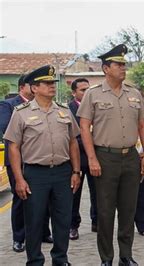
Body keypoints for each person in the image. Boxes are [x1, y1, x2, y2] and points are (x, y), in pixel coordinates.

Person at [77, 44, 144, 266]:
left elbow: (142, 126)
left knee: (129, 210)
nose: (123, 68)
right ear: (105, 68)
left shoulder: (134, 93)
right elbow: (84, 127)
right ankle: (106, 258)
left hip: (130, 157)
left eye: (124, 64)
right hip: (105, 157)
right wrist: (91, 158)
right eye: (118, 64)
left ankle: (126, 255)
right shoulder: (93, 94)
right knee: (106, 211)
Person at [3, 65, 81, 265]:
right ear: (34, 88)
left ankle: (60, 259)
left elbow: (73, 142)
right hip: (35, 174)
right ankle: (35, 260)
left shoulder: (63, 111)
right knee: (35, 220)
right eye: (46, 83)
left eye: (53, 83)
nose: (52, 87)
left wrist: (76, 171)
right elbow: (13, 147)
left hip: (63, 172)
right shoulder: (21, 113)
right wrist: (19, 179)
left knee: (62, 220)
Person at [0, 75, 53, 253]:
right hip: (18, 160)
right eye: (33, 85)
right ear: (23, 87)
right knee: (21, 198)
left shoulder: (45, 105)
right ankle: (19, 238)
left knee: (45, 198)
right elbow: (7, 128)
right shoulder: (8, 105)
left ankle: (44, 232)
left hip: (40, 159)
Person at [68, 78, 98, 240]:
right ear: (74, 93)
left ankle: (97, 221)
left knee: (98, 193)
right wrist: (89, 140)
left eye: (88, 89)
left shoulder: (97, 107)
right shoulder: (68, 110)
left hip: (96, 158)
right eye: (82, 90)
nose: (86, 93)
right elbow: (71, 137)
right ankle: (73, 226)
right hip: (76, 159)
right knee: (74, 194)